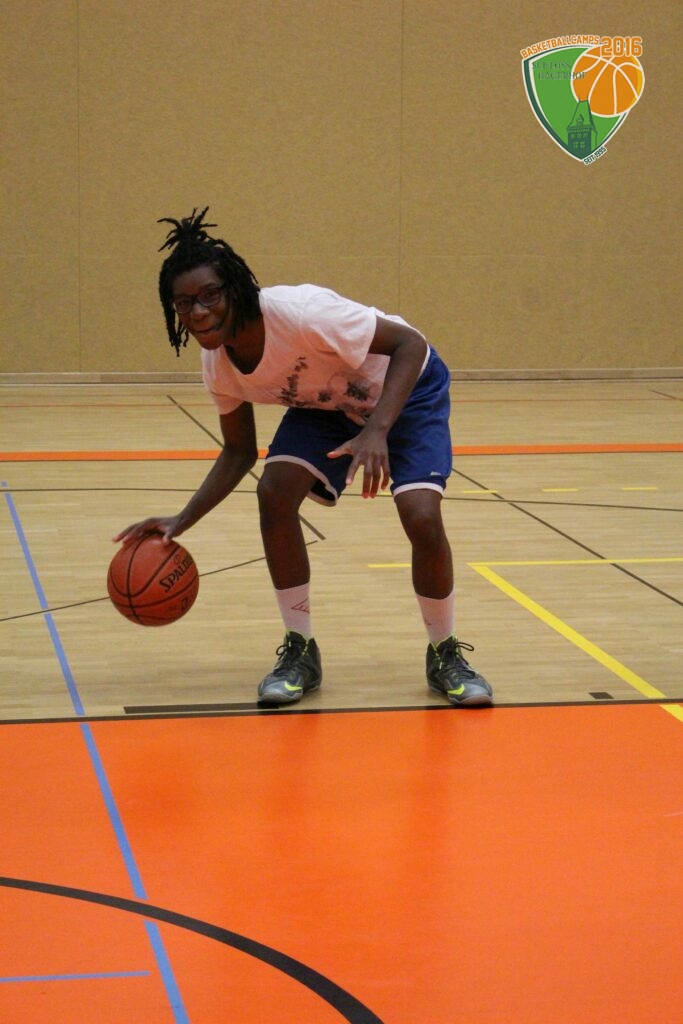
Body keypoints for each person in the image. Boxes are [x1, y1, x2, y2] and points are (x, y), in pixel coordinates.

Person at [114, 208, 493, 708]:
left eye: (209, 295)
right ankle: (300, 650)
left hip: (404, 387)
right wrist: (181, 519)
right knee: (273, 492)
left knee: (420, 515)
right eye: (184, 303)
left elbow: (410, 345)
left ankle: (445, 653)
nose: (198, 311)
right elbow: (239, 451)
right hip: (329, 404)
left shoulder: (301, 315)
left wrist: (378, 429)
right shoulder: (219, 366)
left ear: (235, 290)